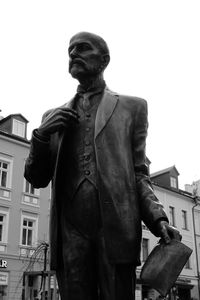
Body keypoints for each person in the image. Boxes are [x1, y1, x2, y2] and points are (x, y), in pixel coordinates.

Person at [24, 32, 181, 300]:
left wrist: (158, 218)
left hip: (116, 228)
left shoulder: (132, 108)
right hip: (70, 231)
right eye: (70, 50)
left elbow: (138, 174)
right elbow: (36, 178)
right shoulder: (51, 117)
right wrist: (40, 135)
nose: (73, 54)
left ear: (104, 59)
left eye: (82, 48)